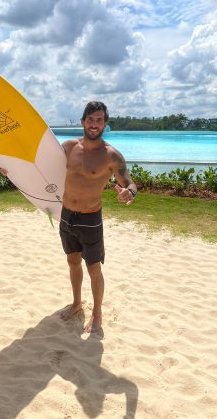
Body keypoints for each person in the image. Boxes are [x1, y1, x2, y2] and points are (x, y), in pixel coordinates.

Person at [59, 101, 137, 333]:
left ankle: (98, 313)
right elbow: (41, 167)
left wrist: (128, 192)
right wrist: (12, 169)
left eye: (99, 120)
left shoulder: (111, 155)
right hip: (66, 216)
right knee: (72, 261)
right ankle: (76, 303)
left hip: (91, 219)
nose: (94, 124)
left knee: (93, 268)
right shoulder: (68, 147)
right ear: (83, 121)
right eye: (91, 119)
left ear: (105, 124)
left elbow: (130, 183)